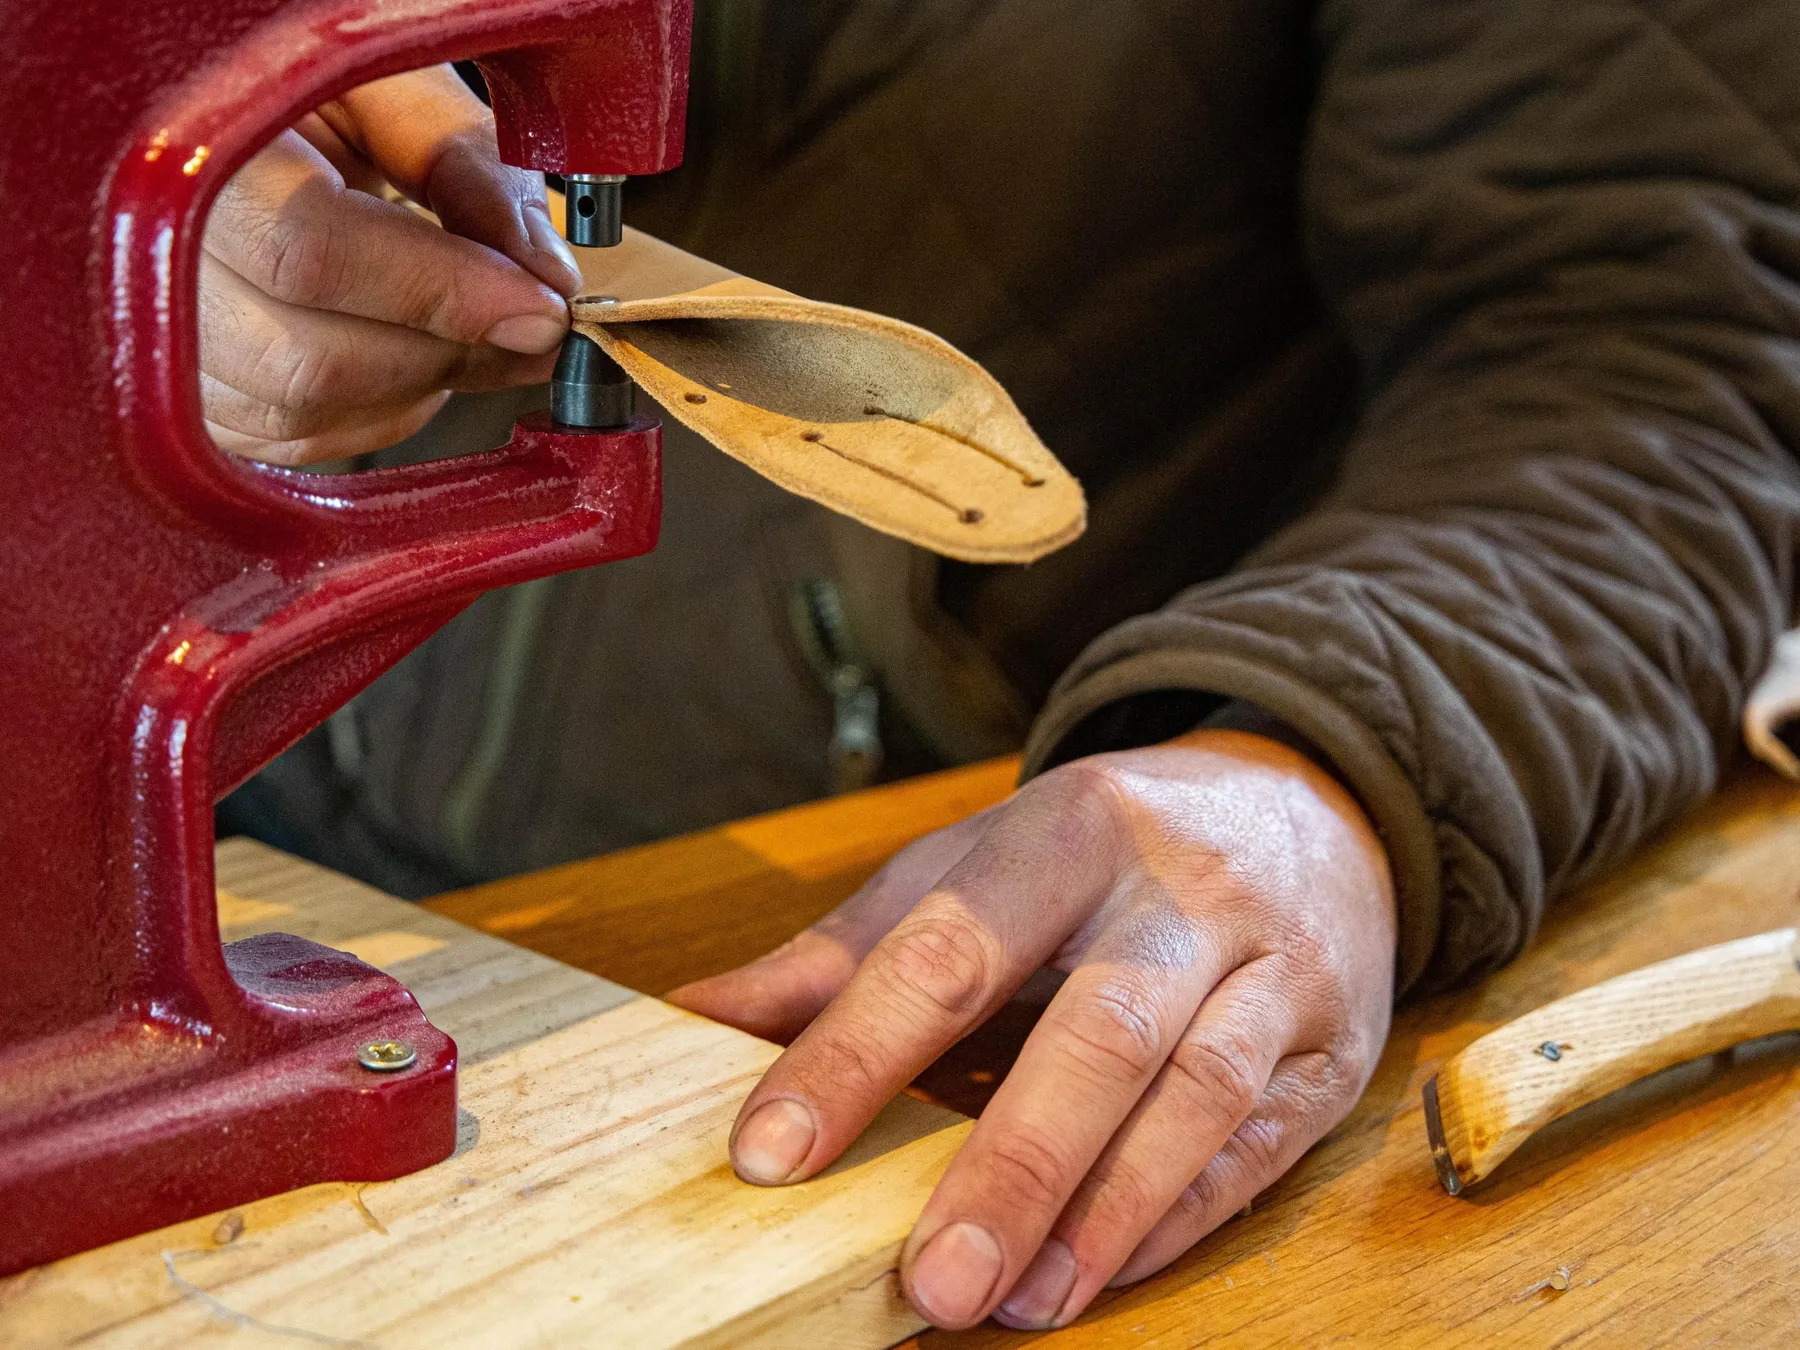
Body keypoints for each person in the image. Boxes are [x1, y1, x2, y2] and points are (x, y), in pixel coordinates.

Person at [210, 0, 1800, 1332]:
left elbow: (1658, 362)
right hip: (255, 850)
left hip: (893, 934)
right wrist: (130, 251)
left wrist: (1319, 763)